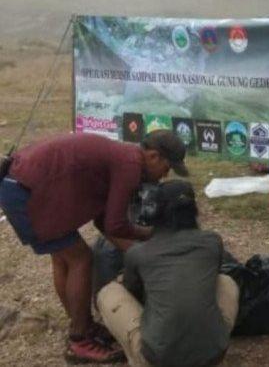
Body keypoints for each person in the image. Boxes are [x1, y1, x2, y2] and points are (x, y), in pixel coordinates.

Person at [0, 130, 187, 363]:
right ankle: (79, 339)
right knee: (81, 259)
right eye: (167, 167)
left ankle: (83, 327)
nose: (164, 175)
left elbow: (103, 221)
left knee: (63, 258)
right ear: (153, 156)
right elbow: (115, 224)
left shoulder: (123, 157)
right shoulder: (129, 166)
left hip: (18, 184)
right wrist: (151, 236)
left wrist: (138, 252)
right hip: (27, 190)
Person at [97, 180, 239, 367]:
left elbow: (132, 292)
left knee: (109, 292)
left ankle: (137, 360)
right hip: (213, 356)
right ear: (193, 209)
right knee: (225, 281)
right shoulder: (212, 241)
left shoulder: (139, 253)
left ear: (153, 211)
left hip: (159, 359)